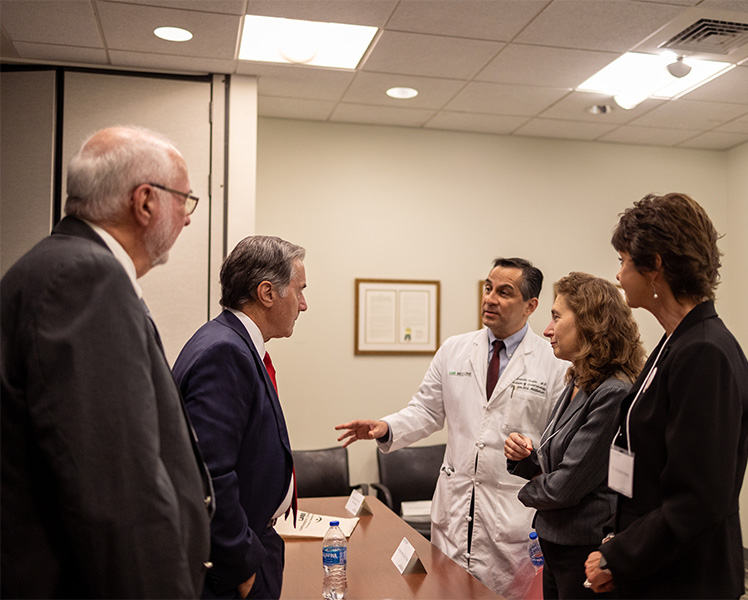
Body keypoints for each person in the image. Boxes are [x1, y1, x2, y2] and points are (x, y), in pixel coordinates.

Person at [0, 126, 213, 598]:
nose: (188, 219)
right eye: (186, 200)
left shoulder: (57, 265)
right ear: (145, 202)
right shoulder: (85, 278)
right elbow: (118, 488)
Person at [336, 257, 569, 599]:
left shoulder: (553, 362)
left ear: (530, 305)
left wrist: (532, 452)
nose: (490, 298)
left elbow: (559, 438)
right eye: (488, 288)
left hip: (511, 517)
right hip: (455, 509)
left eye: (505, 292)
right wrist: (385, 427)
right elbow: (426, 411)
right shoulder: (455, 350)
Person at [584, 193, 748, 598]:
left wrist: (619, 555)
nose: (618, 275)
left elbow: (697, 500)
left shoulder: (704, 352)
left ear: (655, 265)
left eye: (624, 261)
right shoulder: (675, 342)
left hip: (686, 579)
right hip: (656, 562)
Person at [172, 235, 307, 599]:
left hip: (249, 545)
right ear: (267, 293)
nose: (304, 304)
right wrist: (243, 570)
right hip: (232, 566)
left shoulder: (229, 341)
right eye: (299, 290)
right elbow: (211, 475)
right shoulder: (224, 352)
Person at [505, 272, 645, 599]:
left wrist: (524, 491)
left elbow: (565, 487)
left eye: (556, 316)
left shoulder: (613, 392)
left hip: (583, 551)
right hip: (556, 544)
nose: (547, 329)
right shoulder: (578, 381)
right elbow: (554, 468)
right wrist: (527, 459)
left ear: (589, 323)